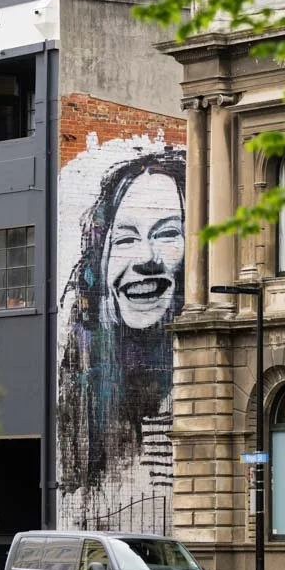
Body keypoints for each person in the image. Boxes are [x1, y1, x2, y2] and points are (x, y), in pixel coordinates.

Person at [58, 148, 186, 511]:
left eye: (167, 234)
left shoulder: (196, 388)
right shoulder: (82, 390)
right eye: (126, 239)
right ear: (101, 260)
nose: (146, 258)